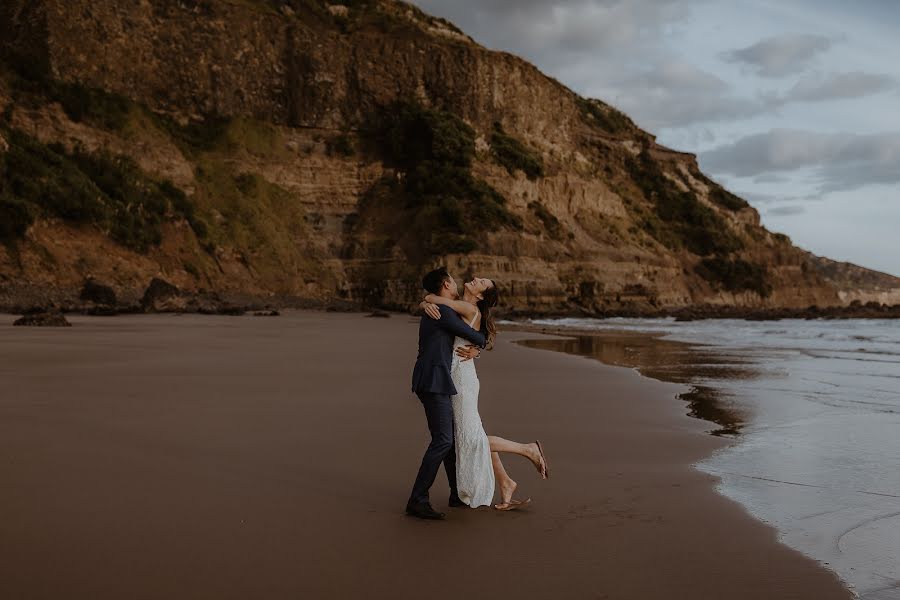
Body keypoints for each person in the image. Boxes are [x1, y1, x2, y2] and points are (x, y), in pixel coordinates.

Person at [421, 275, 549, 511]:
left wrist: (427, 299)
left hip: (461, 379)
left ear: (480, 296)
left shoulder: (468, 307)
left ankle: (528, 449)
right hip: (459, 375)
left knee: (471, 439)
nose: (476, 278)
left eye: (482, 282)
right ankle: (506, 483)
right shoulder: (462, 304)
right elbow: (445, 309)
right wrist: (426, 302)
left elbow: (438, 301)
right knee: (472, 434)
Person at [406, 267, 487, 520]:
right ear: (446, 284)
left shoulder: (439, 307)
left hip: (435, 379)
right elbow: (475, 336)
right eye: (451, 280)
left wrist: (427, 299)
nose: (455, 283)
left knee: (447, 440)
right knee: (443, 440)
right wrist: (479, 345)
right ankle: (417, 499)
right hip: (433, 380)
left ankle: (455, 494)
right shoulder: (442, 311)